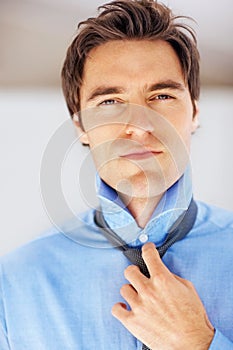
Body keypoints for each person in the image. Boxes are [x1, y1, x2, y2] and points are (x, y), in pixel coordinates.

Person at [0, 0, 233, 349]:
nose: (140, 126)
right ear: (80, 125)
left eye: (162, 95)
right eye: (109, 102)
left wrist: (198, 343)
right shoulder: (14, 282)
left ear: (195, 112)